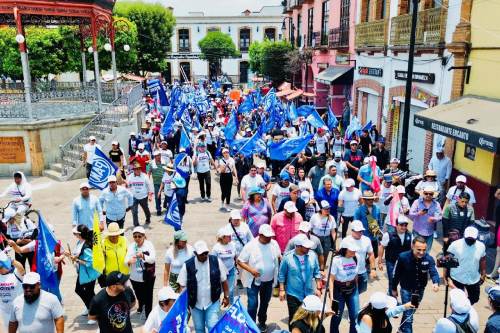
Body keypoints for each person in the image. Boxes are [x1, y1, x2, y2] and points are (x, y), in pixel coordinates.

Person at [177, 240, 229, 333]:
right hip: (195, 304)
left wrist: (226, 296)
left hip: (212, 302)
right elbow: (182, 285)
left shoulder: (216, 261)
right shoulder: (188, 265)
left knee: (212, 326)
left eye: (206, 253)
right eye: (202, 254)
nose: (205, 256)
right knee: (199, 328)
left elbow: (224, 280)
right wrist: (184, 304)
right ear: (195, 253)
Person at [237, 224, 281, 332]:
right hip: (253, 281)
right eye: (267, 236)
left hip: (269, 280)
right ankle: (251, 325)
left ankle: (262, 322)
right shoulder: (251, 245)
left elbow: (279, 257)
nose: (269, 238)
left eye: (270, 236)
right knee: (252, 304)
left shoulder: (274, 244)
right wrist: (251, 270)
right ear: (260, 235)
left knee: (265, 302)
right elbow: (240, 261)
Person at [391, 236, 440, 333]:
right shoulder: (402, 257)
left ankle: (401, 330)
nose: (421, 252)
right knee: (409, 317)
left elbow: (434, 271)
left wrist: (435, 282)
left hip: (419, 291)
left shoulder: (429, 258)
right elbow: (396, 274)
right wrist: (394, 288)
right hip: (406, 290)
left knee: (409, 313)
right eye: (419, 250)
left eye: (424, 250)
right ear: (412, 246)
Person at [278, 234, 321, 327]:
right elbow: (281, 274)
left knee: (310, 320)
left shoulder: (313, 255)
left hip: (309, 293)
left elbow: (317, 272)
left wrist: (318, 287)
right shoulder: (287, 257)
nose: (309, 248)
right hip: (293, 294)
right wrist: (281, 290)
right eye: (306, 247)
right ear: (298, 246)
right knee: (294, 320)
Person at [65, 225, 100, 324]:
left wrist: (77, 260)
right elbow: (78, 255)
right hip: (83, 273)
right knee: (88, 292)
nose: (74, 235)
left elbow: (90, 262)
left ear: (80, 234)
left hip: (88, 274)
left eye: (75, 233)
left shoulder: (86, 247)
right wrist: (72, 256)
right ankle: (91, 307)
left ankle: (94, 312)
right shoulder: (80, 242)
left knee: (82, 291)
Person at [445, 227, 486, 305]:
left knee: (474, 298)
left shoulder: (481, 246)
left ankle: (466, 309)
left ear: (476, 237)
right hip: (457, 277)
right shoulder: (455, 245)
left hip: (473, 277)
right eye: (468, 238)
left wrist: (483, 273)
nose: (470, 240)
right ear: (464, 236)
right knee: (457, 300)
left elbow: (483, 259)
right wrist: (446, 276)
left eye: (472, 238)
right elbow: (447, 260)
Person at [329, 238, 360, 333]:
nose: (354, 251)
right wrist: (331, 299)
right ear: (344, 249)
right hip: (338, 291)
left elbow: (356, 275)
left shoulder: (357, 257)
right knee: (336, 316)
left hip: (352, 289)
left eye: (355, 249)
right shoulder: (336, 260)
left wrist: (357, 290)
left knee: (355, 316)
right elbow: (331, 279)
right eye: (351, 250)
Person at [125, 226, 156, 318]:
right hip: (135, 276)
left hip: (148, 276)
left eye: (139, 236)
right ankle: (141, 304)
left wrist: (143, 256)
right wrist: (129, 261)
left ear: (143, 236)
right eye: (135, 236)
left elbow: (152, 259)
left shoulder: (149, 245)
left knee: (148, 297)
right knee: (139, 294)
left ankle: (148, 315)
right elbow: (125, 260)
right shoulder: (131, 246)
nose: (137, 238)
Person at [378, 215, 412, 294]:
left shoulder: (410, 235)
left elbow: (412, 248)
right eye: (401, 225)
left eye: (405, 225)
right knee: (392, 281)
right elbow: (382, 247)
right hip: (391, 261)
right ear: (396, 225)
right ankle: (392, 299)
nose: (403, 227)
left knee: (405, 281)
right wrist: (380, 261)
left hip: (404, 263)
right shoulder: (388, 235)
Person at [344, 220, 376, 294]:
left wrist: (373, 269)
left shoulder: (366, 240)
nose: (360, 233)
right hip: (350, 273)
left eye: (361, 231)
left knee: (362, 290)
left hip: (362, 272)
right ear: (352, 230)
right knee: (351, 294)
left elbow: (371, 254)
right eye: (358, 231)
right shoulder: (346, 241)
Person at [409, 186, 442, 251]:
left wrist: (434, 218)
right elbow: (411, 215)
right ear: (423, 194)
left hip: (429, 232)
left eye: (430, 194)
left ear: (433, 195)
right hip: (417, 231)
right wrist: (418, 213)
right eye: (426, 193)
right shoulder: (417, 202)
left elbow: (440, 216)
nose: (428, 195)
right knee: (415, 250)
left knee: (427, 252)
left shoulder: (436, 204)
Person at [211, 226, 237, 303]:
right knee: (218, 291)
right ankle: (216, 307)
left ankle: (231, 307)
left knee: (231, 291)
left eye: (230, 235)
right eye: (228, 236)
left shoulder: (233, 245)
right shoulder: (216, 248)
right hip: (219, 272)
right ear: (222, 237)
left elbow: (235, 256)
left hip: (231, 270)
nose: (230, 237)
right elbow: (213, 261)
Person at [0, 252, 24, 332]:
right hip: (5, 311)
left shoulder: (15, 273)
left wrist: (11, 260)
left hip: (18, 309)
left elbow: (22, 269)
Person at [354, 190, 382, 257]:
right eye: (369, 199)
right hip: (363, 236)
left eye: (372, 199)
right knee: (362, 255)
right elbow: (355, 223)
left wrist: (379, 233)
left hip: (374, 236)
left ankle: (368, 263)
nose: (371, 201)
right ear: (364, 200)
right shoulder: (359, 210)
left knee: (375, 254)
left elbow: (379, 222)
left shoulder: (377, 208)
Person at [128, 162, 153, 226]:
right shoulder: (130, 176)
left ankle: (148, 218)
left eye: (139, 169)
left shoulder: (145, 176)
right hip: (134, 197)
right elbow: (128, 185)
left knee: (146, 209)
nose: (138, 170)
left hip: (143, 197)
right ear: (133, 170)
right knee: (134, 211)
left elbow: (149, 186)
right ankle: (136, 225)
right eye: (136, 169)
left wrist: (150, 195)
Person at [147, 150, 166, 216]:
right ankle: (158, 209)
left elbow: (168, 170)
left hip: (165, 182)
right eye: (157, 156)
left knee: (168, 194)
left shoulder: (164, 162)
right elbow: (149, 173)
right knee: (157, 196)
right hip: (156, 183)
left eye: (159, 155)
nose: (158, 157)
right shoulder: (151, 163)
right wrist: (147, 182)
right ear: (154, 156)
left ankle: (165, 204)